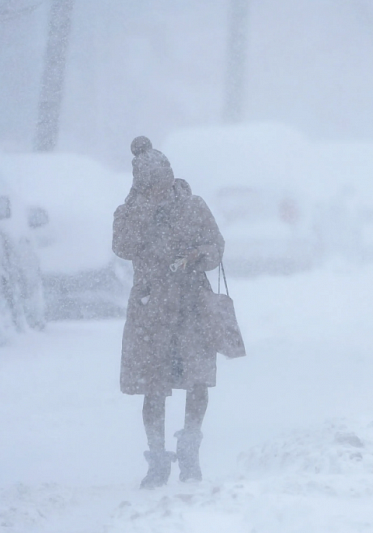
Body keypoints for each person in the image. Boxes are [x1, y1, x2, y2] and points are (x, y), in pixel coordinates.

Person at [113, 136, 225, 489]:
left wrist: (197, 256)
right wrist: (144, 210)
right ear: (141, 185)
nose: (159, 190)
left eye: (162, 182)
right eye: (151, 185)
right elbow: (123, 247)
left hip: (192, 305)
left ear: (170, 177)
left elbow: (216, 246)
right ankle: (157, 459)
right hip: (151, 310)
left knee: (197, 379)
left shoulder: (193, 206)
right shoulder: (129, 212)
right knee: (152, 387)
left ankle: (190, 449)